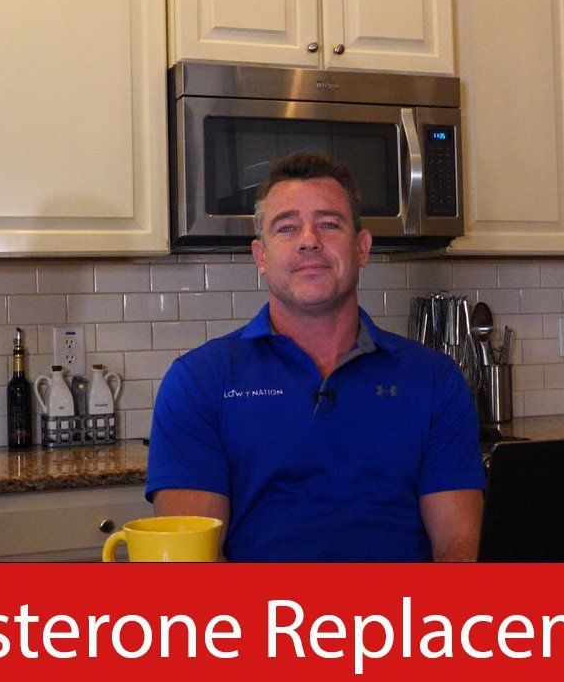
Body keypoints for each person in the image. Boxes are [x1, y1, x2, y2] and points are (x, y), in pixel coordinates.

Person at [146, 152, 485, 562]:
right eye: (286, 227)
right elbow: (193, 561)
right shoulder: (199, 381)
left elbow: (456, 552)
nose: (309, 239)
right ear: (261, 256)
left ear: (361, 248)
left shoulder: (435, 381)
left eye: (329, 224)